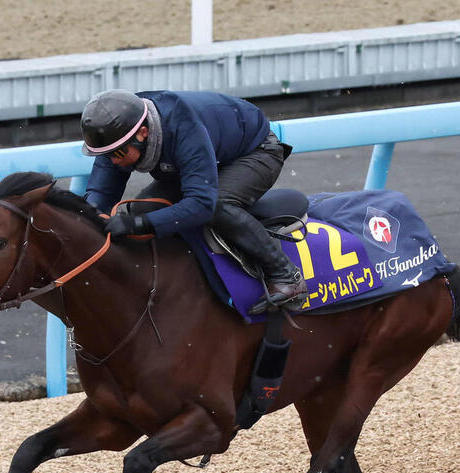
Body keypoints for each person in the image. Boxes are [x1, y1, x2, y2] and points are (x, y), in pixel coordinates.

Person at [79, 89, 307, 314]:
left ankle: (286, 274)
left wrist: (137, 224)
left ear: (143, 133)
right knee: (144, 207)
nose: (112, 161)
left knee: (219, 204)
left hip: (255, 152)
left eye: (118, 154)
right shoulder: (119, 133)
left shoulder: (182, 126)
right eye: (105, 154)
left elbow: (201, 204)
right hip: (208, 152)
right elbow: (100, 193)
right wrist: (90, 218)